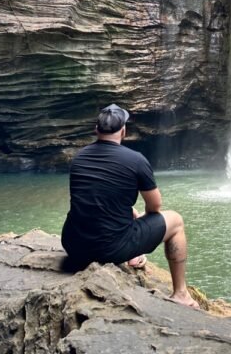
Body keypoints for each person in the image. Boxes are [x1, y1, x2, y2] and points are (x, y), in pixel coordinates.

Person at [61, 103, 198, 308]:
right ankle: (181, 294)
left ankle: (132, 253)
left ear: (96, 130)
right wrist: (141, 216)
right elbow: (155, 207)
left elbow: (94, 199)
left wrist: (131, 213)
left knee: (126, 211)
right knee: (176, 221)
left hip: (73, 245)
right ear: (123, 131)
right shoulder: (136, 160)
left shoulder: (79, 157)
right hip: (109, 250)